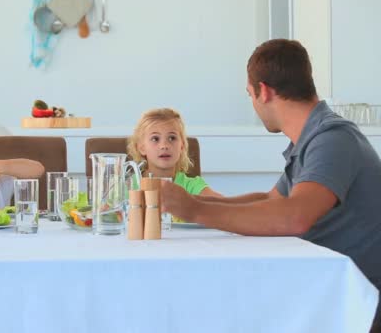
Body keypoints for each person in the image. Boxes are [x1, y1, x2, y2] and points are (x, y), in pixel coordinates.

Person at [159, 39, 381, 332]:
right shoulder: (311, 137)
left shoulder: (333, 138)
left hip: (357, 303)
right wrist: (192, 202)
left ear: (263, 91)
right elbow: (272, 199)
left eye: (249, 94)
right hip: (325, 288)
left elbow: (294, 217)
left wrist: (195, 210)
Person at [127, 107, 221, 199]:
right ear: (141, 147)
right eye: (155, 139)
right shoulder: (128, 185)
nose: (164, 145)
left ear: (182, 146)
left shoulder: (192, 186)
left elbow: (222, 206)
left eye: (172, 138)